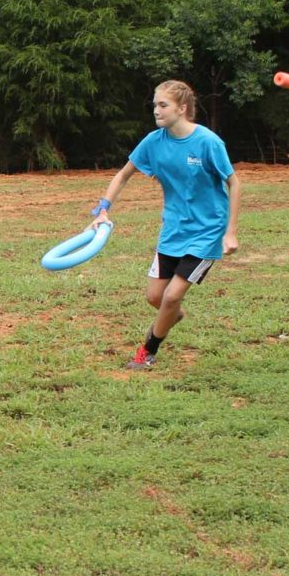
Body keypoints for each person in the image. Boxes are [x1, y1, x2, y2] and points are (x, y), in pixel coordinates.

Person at [92, 80, 240, 370]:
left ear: (182, 108)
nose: (156, 111)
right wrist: (102, 210)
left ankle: (147, 351)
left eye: (163, 105)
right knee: (155, 297)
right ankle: (171, 314)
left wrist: (230, 232)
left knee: (172, 295)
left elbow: (234, 183)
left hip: (206, 231)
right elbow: (122, 175)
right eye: (155, 105)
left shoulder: (208, 142)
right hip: (173, 229)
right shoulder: (153, 142)